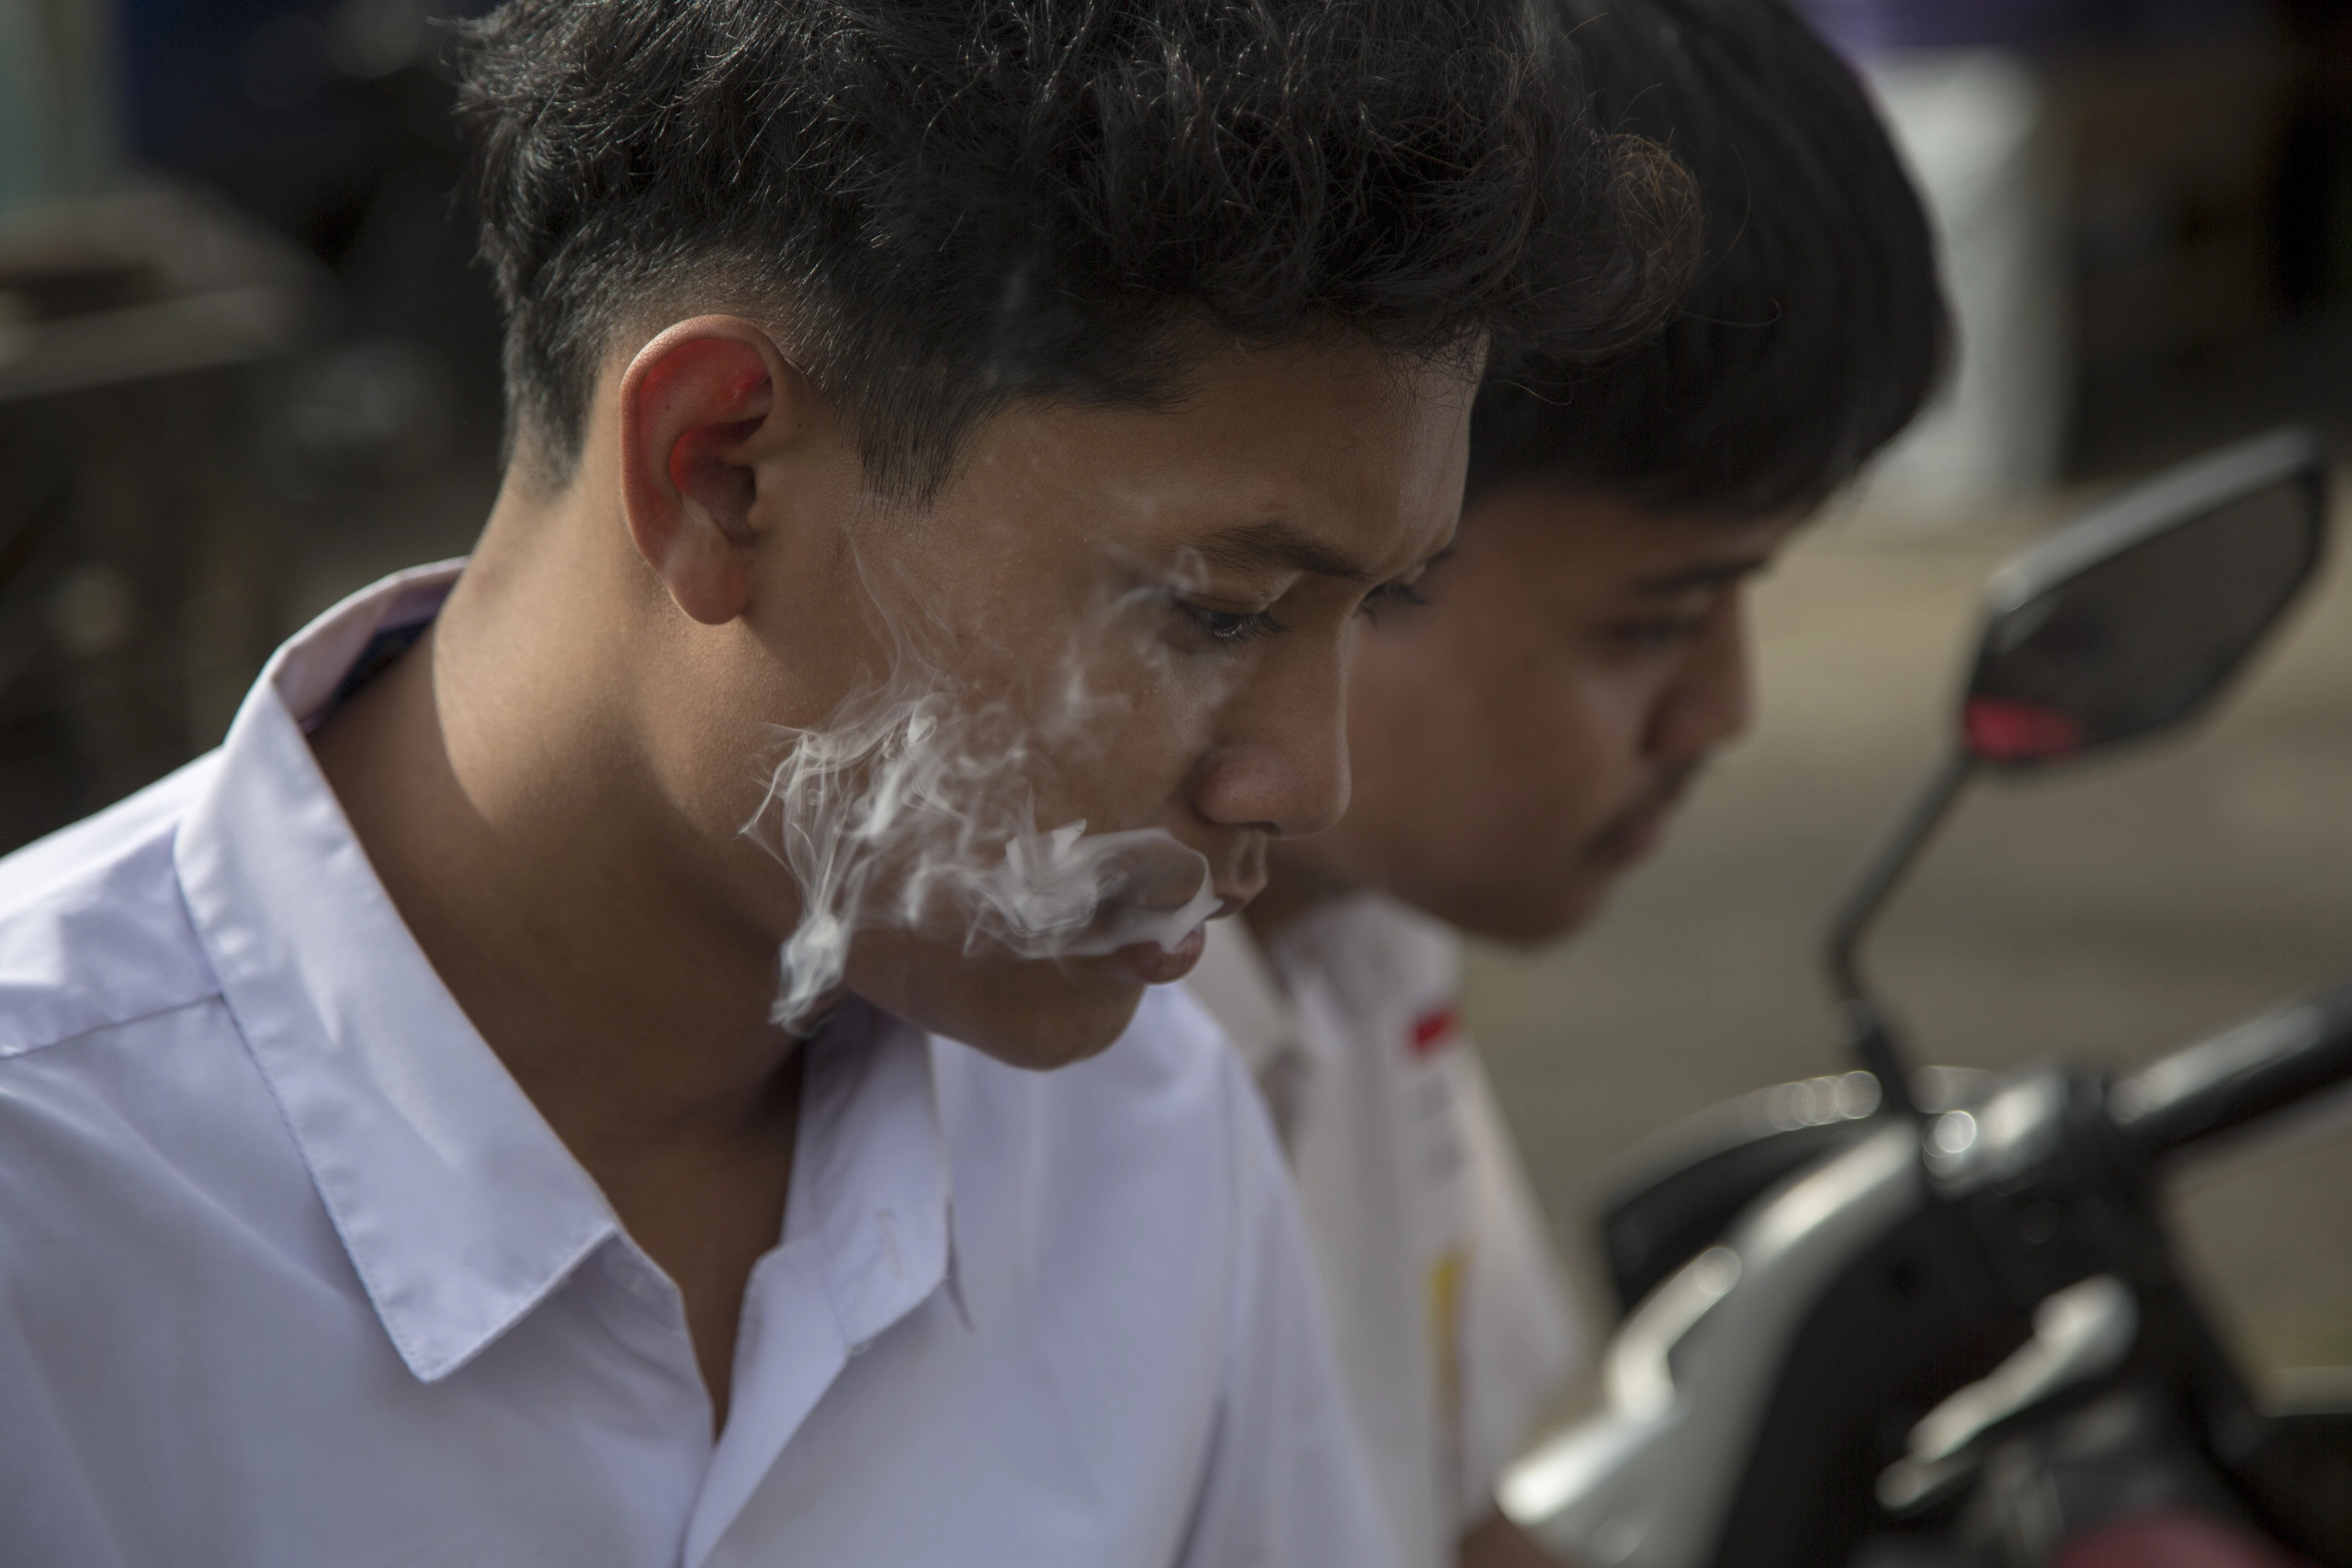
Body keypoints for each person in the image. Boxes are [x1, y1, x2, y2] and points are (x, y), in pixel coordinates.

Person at [0, 4, 1699, 1564]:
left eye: (1375, 602)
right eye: (1215, 609)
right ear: (719, 469)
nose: (1306, 777)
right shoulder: (52, 1207)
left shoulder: (1143, 1149)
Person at [1185, 3, 1951, 1565]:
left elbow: (1453, 1516)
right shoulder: (1058, 1045)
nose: (1721, 708)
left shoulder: (1357, 931)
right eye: (1654, 620)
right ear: (1360, 508)